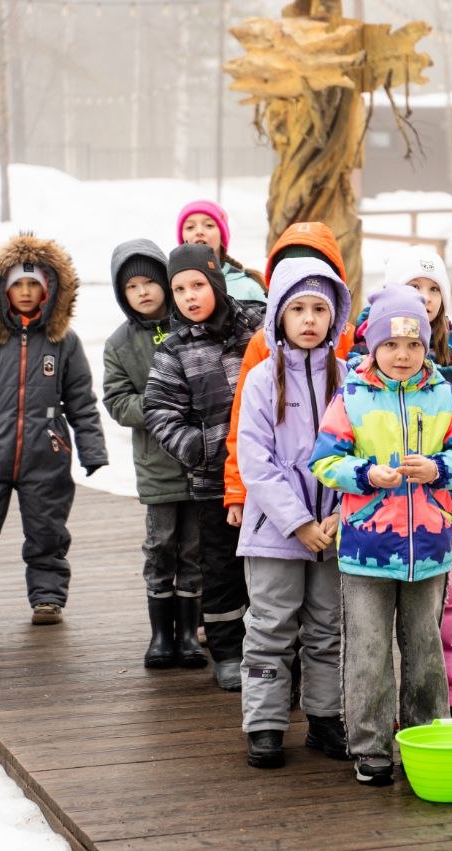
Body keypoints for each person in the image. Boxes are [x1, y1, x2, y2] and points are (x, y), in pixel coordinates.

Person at [310, 286, 452, 786]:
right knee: (367, 650)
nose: (402, 355)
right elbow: (325, 460)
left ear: (426, 346)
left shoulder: (443, 394)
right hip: (366, 549)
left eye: (413, 344)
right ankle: (371, 747)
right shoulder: (352, 395)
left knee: (425, 649)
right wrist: (366, 475)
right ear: (373, 346)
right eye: (390, 344)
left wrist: (438, 469)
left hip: (428, 550)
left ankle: (425, 738)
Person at [0, 233, 107, 628]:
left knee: (47, 530)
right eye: (17, 285)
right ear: (2, 290)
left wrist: (91, 448)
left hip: (46, 455)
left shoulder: (63, 342)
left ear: (49, 290)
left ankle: (47, 597)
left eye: (33, 284)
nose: (25, 292)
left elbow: (81, 400)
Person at [353, 246, 452, 719]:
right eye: (415, 287)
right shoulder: (360, 365)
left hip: (435, 515)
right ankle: (375, 709)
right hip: (374, 518)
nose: (426, 297)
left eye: (434, 289)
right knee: (374, 620)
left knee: (445, 606)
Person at [236, 257, 352, 769]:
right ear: (279, 315)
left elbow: (362, 452)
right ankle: (265, 723)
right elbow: (255, 461)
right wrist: (298, 522)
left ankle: (325, 719)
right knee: (271, 626)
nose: (309, 319)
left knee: (328, 628)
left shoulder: (350, 379)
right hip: (276, 532)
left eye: (319, 310)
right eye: (298, 308)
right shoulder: (262, 379)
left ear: (334, 317)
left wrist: (339, 514)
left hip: (332, 531)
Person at [144, 243, 263, 690]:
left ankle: (275, 650)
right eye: (179, 289)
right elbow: (159, 412)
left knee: (271, 569)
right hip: (215, 483)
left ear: (215, 281)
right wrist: (204, 450)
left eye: (197, 284)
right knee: (221, 569)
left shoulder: (257, 328)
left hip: (270, 476)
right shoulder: (173, 350)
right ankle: (228, 652)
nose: (189, 296)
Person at [102, 239, 207, 669]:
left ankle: (190, 634)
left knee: (194, 548)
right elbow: (116, 400)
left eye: (149, 282)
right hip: (156, 464)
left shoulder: (191, 327)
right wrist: (159, 402)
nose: (143, 291)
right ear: (122, 294)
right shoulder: (120, 343)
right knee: (161, 544)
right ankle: (161, 635)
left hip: (199, 461)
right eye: (132, 287)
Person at [223, 221, 356, 527]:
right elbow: (244, 424)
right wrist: (237, 488)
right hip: (277, 507)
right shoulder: (263, 348)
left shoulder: (350, 343)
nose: (309, 319)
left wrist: (343, 510)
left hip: (333, 507)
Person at [176, 199, 266, 304]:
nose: (199, 231)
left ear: (222, 236)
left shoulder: (247, 287)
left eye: (209, 225)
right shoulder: (173, 286)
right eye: (190, 227)